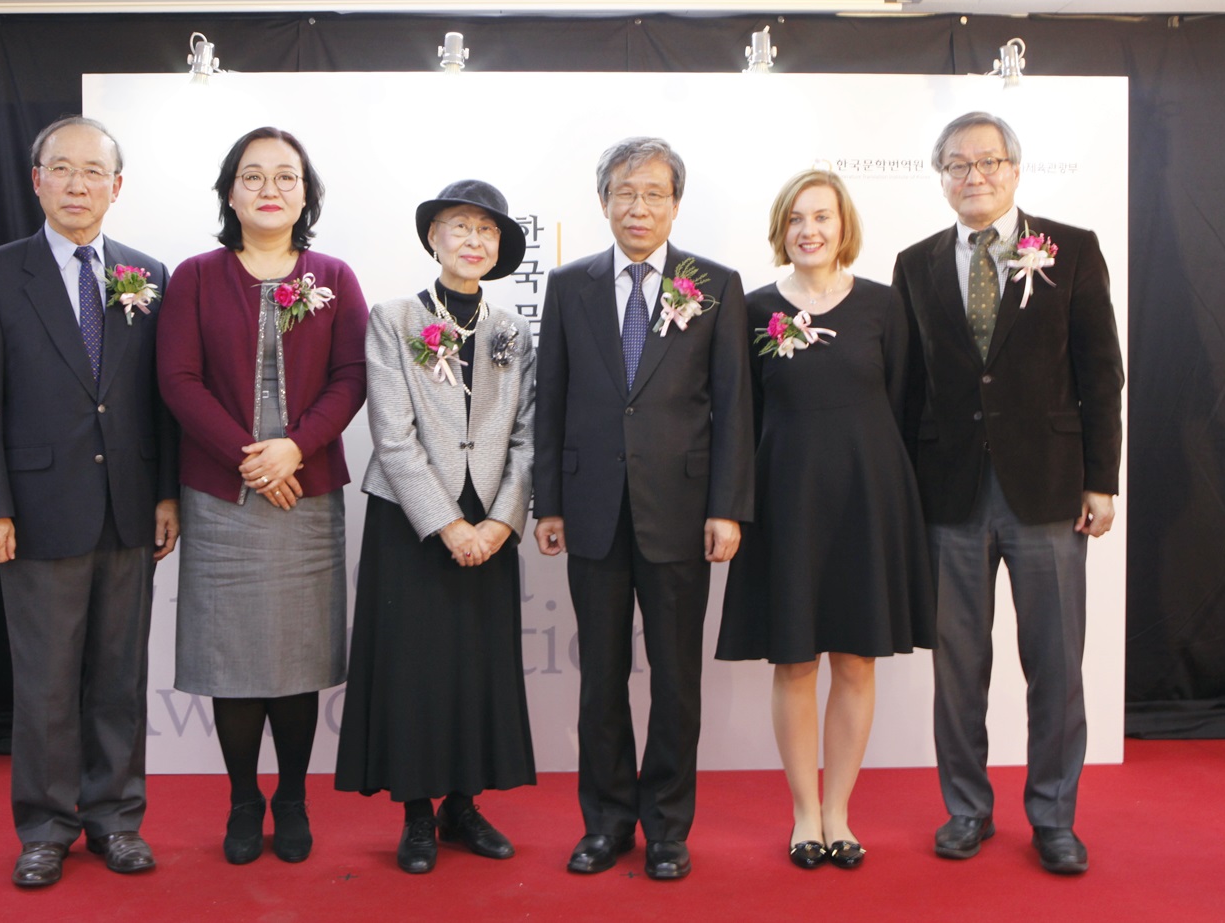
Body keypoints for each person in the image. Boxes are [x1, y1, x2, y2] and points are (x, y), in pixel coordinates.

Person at [892, 112, 1123, 875]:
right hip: (948, 493)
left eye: (988, 162)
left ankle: (1054, 815)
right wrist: (902, 493)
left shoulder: (1071, 249)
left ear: (1015, 171)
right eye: (957, 165)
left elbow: (1101, 373)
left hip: (1050, 490)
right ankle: (966, 808)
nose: (974, 177)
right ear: (942, 178)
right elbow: (908, 389)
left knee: (1056, 664)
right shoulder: (915, 263)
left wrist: (1102, 479)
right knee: (959, 666)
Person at [0, 116, 179, 888]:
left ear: (118, 187)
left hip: (127, 507)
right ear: (36, 179)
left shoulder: (149, 275)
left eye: (94, 172)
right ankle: (45, 827)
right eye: (63, 169)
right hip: (35, 511)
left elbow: (159, 399)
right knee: (47, 681)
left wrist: (166, 493)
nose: (78, 184)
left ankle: (116, 818)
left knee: (119, 676)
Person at [533, 137, 755, 881]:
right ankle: (605, 822)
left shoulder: (715, 285)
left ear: (675, 203)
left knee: (675, 678)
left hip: (683, 512)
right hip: (591, 507)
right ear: (603, 201)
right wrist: (549, 500)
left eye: (654, 193)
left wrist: (727, 508)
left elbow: (734, 408)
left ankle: (666, 825)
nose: (639, 206)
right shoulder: (569, 286)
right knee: (599, 676)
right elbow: (552, 400)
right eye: (625, 192)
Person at [156, 126, 368, 866]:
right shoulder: (194, 276)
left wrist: (295, 448)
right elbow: (177, 381)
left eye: (286, 176)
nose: (269, 187)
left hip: (306, 494)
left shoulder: (335, 275)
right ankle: (244, 798)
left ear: (305, 193)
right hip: (224, 492)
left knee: (297, 654)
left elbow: (351, 379)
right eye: (253, 176)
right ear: (229, 192)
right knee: (236, 655)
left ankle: (295, 797)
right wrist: (252, 459)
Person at [716, 169, 936, 870]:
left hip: (868, 498)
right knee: (794, 661)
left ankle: (839, 811)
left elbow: (904, 402)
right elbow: (738, 415)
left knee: (857, 659)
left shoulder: (882, 305)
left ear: (845, 227)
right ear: (782, 229)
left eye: (823, 216)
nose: (810, 229)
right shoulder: (748, 309)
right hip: (784, 500)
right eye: (797, 218)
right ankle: (803, 815)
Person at [334, 179, 536, 875]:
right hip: (413, 524)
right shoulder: (393, 319)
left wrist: (502, 522)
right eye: (459, 227)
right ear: (433, 238)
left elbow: (527, 440)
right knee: (415, 670)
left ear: (500, 247)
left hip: (492, 526)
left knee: (476, 668)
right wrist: (448, 525)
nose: (473, 240)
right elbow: (391, 436)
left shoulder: (514, 331)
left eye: (486, 231)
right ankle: (417, 813)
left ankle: (463, 805)